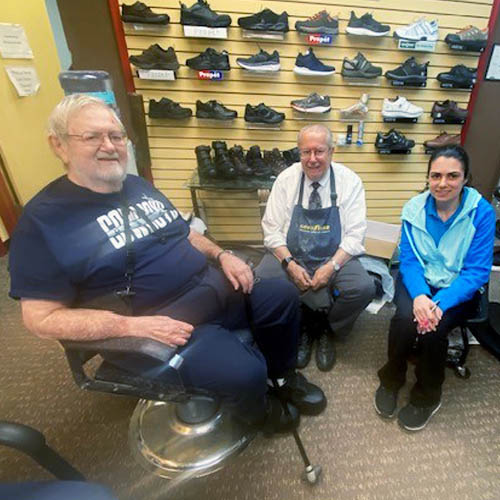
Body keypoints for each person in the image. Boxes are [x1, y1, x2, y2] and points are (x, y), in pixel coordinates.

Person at [8, 94, 326, 434]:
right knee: (243, 372)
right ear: (58, 145)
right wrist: (131, 328)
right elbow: (40, 320)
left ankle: (280, 378)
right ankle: (258, 413)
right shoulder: (43, 222)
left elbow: (185, 233)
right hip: (155, 326)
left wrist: (222, 255)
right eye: (91, 137)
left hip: (211, 287)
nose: (110, 146)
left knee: (281, 296)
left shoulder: (136, 186)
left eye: (116, 136)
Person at [375, 146, 495, 431]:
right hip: (420, 282)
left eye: (452, 176)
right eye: (436, 176)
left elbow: (476, 272)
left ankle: (427, 396)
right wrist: (418, 295)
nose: (443, 184)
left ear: (465, 178)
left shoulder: (481, 213)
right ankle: (391, 379)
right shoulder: (414, 209)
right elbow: (410, 261)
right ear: (428, 178)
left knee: (433, 329)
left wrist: (438, 303)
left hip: (458, 288)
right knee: (404, 320)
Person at [258, 124, 375, 372]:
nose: (312, 159)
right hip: (293, 252)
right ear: (298, 153)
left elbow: (355, 236)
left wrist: (331, 266)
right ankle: (300, 324)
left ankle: (325, 326)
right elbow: (271, 230)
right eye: (305, 152)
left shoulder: (350, 181)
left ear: (331, 152)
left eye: (319, 151)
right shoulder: (286, 179)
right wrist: (289, 263)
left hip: (335, 253)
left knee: (363, 288)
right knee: (262, 282)